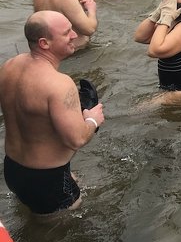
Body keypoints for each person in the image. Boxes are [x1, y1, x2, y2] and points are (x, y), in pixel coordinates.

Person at [0, 11, 105, 214]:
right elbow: (76, 140)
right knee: (61, 231)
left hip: (13, 168)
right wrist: (92, 120)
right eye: (67, 33)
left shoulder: (10, 66)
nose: (75, 35)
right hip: (47, 179)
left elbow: (30, 115)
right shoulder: (59, 84)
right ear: (44, 43)